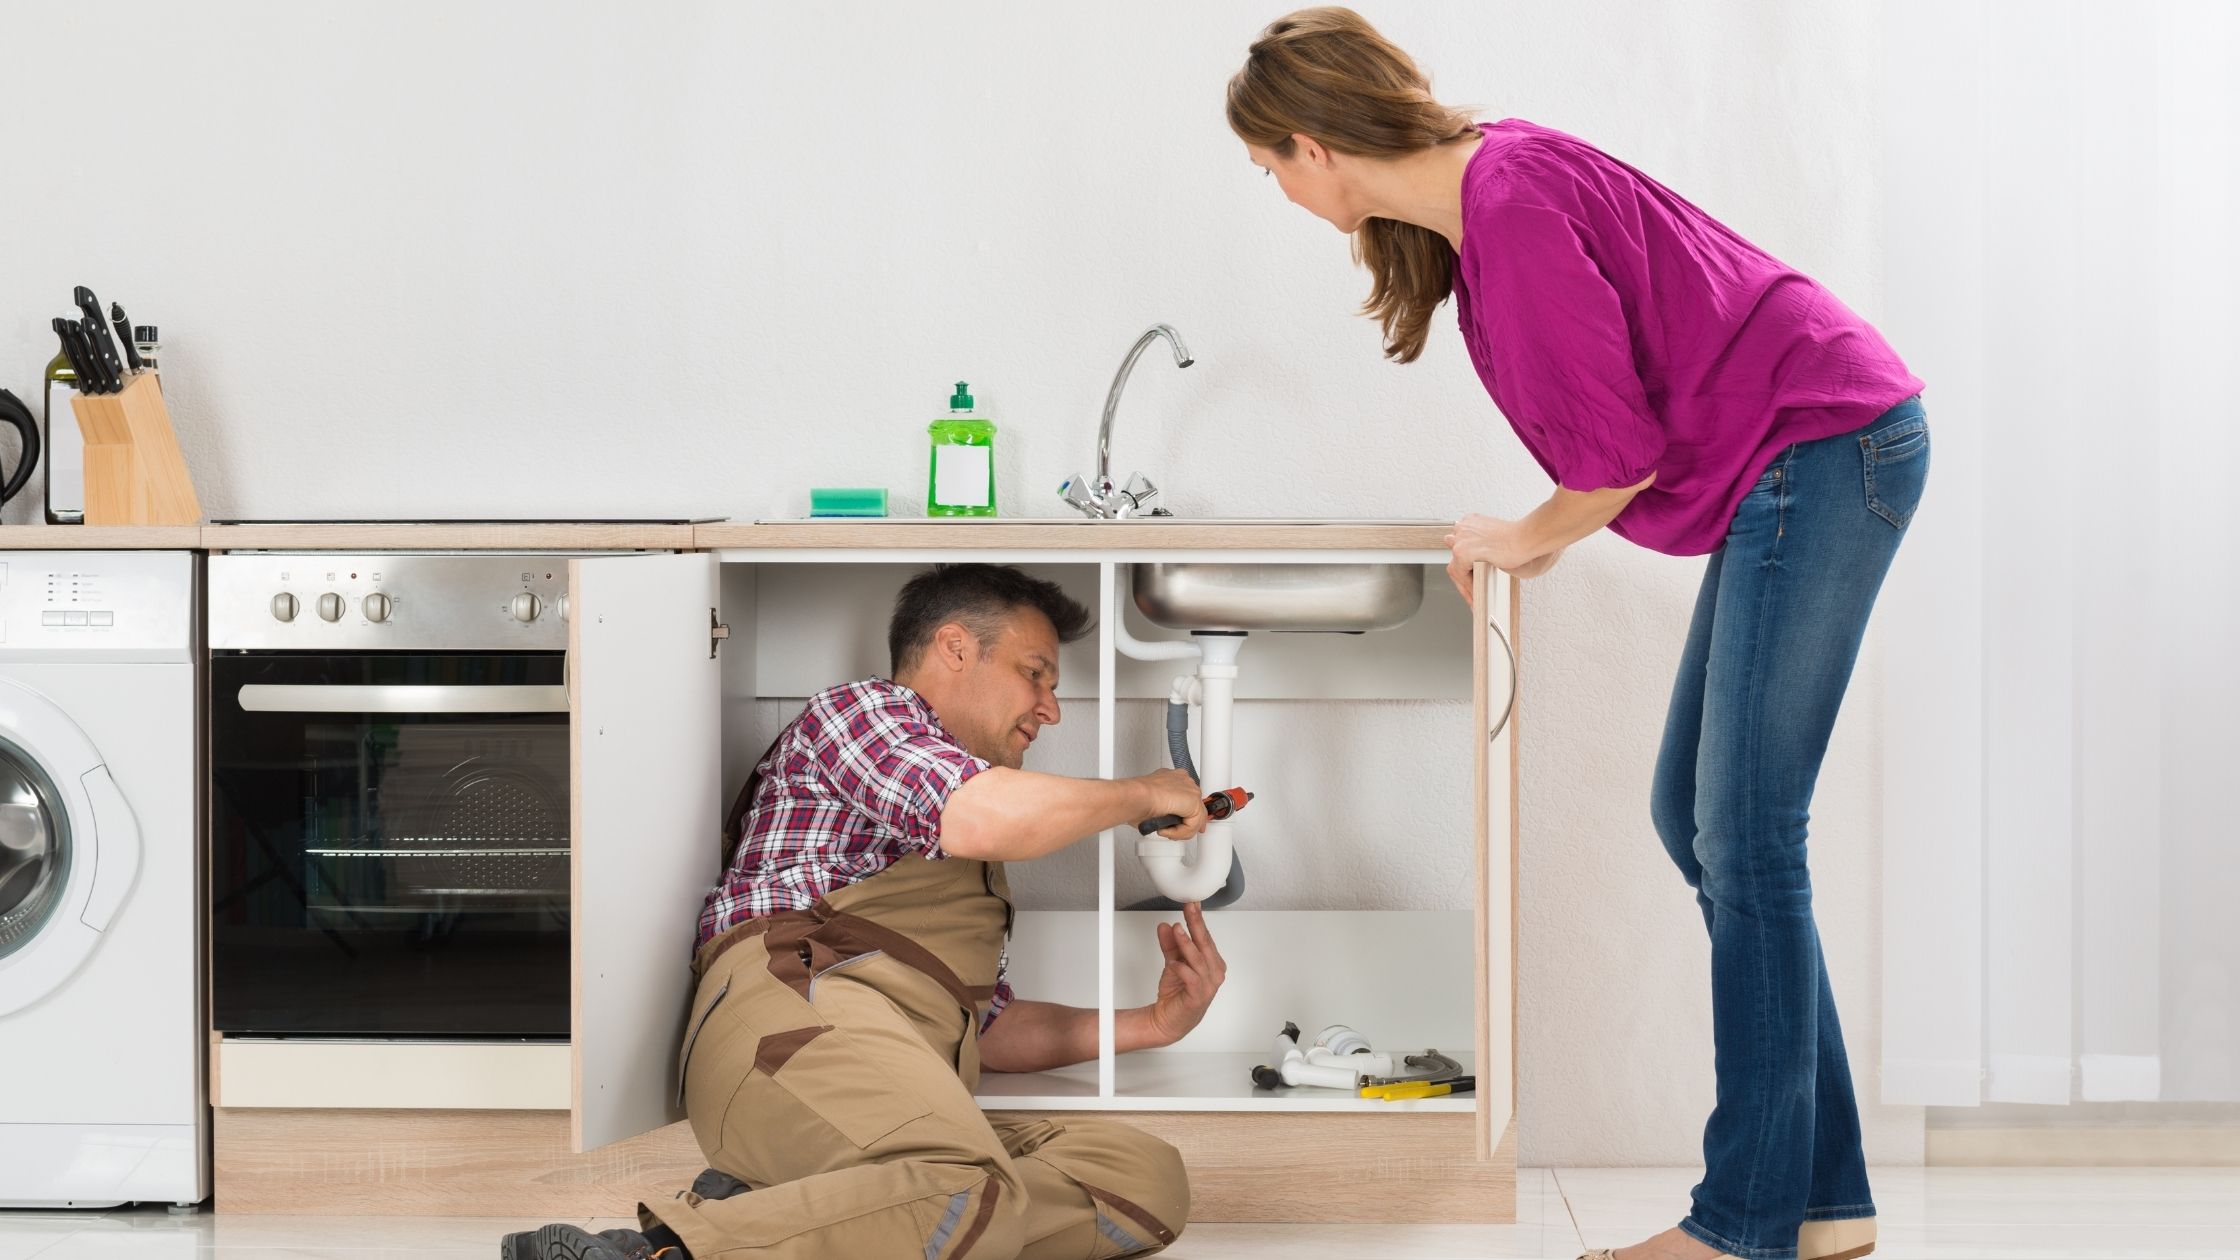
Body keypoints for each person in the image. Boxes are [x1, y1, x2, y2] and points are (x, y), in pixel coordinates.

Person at [1227, 10, 1920, 1260]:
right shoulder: (1490, 184)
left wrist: (1523, 536)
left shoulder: (1507, 203)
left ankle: (1742, 1225)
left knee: (1746, 839)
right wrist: (1533, 536)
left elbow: (1614, 457)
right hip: (1806, 456)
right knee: (1700, 819)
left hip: (1822, 452)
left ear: (1311, 144)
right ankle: (1824, 1202)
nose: (1274, 190)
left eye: (1268, 166)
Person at [506, 564, 1222, 1260]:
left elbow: (989, 1028)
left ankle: (778, 1214)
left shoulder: (973, 855)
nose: (1050, 707)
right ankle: (664, 1255)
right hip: (795, 1027)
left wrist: (1151, 1025)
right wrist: (1143, 792)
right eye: (1035, 673)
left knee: (1143, 1180)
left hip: (898, 1073)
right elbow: (981, 815)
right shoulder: (865, 715)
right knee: (965, 1192)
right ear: (954, 647)